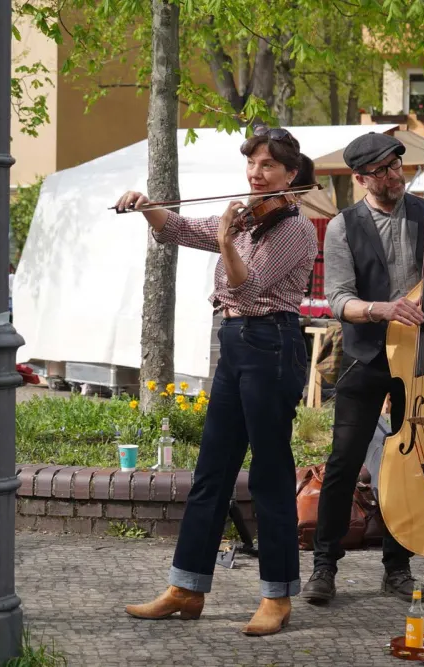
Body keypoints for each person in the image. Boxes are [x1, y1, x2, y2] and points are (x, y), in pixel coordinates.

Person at [116, 125, 318, 636]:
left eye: (268, 165)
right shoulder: (245, 217)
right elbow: (181, 229)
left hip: (272, 345)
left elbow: (245, 285)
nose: (256, 172)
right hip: (233, 345)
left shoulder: (296, 229)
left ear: (291, 175)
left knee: (271, 473)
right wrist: (146, 207)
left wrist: (227, 239)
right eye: (252, 163)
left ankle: (277, 595)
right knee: (211, 471)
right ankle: (186, 587)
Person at [301, 132, 424, 604]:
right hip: (368, 354)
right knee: (344, 462)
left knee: (411, 460)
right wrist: (383, 310)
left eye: (397, 166)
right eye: (383, 171)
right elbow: (338, 300)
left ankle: (398, 568)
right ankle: (324, 566)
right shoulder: (342, 226)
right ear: (360, 178)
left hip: (423, 359)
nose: (395, 175)